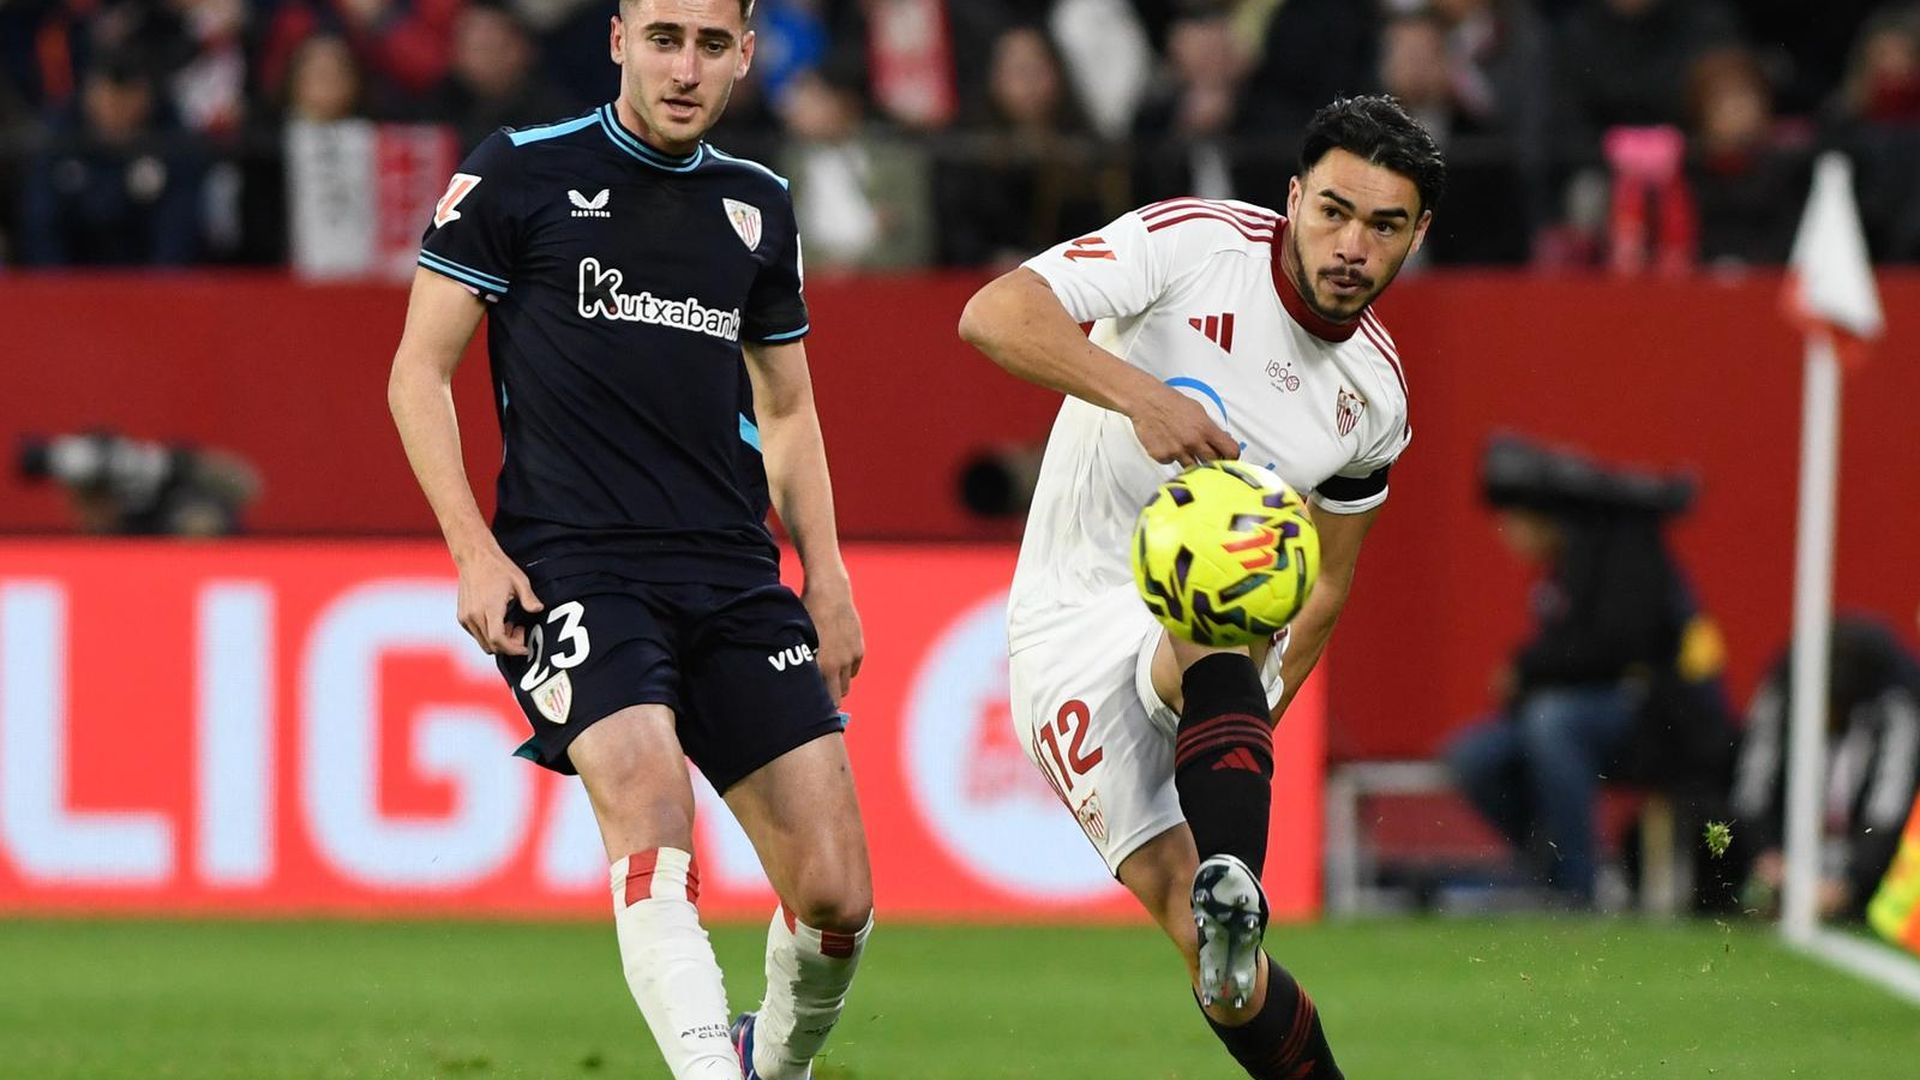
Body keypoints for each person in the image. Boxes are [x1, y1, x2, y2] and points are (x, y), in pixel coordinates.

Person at [385, 3, 872, 1078]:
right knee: (651, 804)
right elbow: (417, 371)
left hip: (735, 574)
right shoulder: (519, 173)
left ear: (745, 54)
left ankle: (766, 1065)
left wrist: (826, 577)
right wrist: (473, 548)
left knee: (837, 898)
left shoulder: (758, 204)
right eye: (663, 38)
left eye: (709, 44)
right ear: (617, 42)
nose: (684, 68)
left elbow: (787, 414)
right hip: (576, 568)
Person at [959, 94, 1446, 1080]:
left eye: (1386, 226)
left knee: (1228, 966)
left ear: (1417, 236)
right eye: (1335, 213)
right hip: (1066, 628)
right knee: (1220, 603)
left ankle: (1234, 887)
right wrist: (1143, 397)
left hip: (1197, 658)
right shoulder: (1191, 247)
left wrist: (1234, 739)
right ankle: (1226, 892)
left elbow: (1321, 598)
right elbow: (992, 314)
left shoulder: (1377, 402)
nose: (1354, 246)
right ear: (1294, 198)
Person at [1445, 436, 1731, 908]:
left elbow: (1614, 649)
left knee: (1551, 722)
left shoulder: (1625, 547)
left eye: (1511, 522)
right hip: (1586, 716)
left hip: (1662, 720)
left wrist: (1526, 671)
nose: (1505, 535)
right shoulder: (1565, 567)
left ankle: (1580, 888)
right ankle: (1549, 865)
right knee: (1474, 756)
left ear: (1540, 516)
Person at [1732, 616, 1920, 922]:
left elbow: (1889, 804)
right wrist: (1766, 855)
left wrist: (1848, 883)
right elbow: (1751, 787)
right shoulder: (1781, 692)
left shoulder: (1897, 706)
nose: (1826, 717)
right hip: (1783, 853)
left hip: (1866, 867)